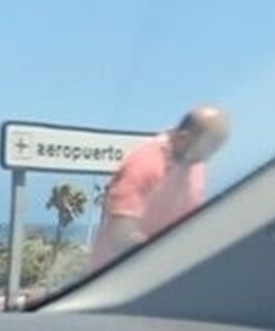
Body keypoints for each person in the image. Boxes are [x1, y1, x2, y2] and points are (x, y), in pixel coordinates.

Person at [87, 106, 231, 268]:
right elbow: (121, 235)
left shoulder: (194, 164)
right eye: (209, 146)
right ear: (185, 138)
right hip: (117, 275)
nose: (209, 156)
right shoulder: (143, 164)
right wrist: (168, 258)